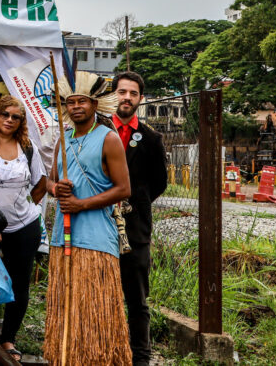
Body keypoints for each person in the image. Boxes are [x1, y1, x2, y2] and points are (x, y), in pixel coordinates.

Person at [43, 71, 133, 366]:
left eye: (82, 101)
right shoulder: (62, 140)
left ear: (95, 105)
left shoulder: (108, 139)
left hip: (96, 238)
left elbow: (123, 189)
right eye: (71, 102)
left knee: (94, 309)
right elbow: (50, 182)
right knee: (65, 307)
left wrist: (81, 204)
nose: (76, 106)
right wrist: (58, 188)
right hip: (63, 237)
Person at [0, 95, 47, 362]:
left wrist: (23, 203)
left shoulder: (27, 147)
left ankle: (8, 338)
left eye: (15, 117)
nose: (9, 120)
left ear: (21, 121)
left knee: (20, 283)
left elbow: (40, 184)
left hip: (23, 226)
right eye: (4, 114)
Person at [111, 71, 167, 366]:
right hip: (100, 223)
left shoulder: (151, 138)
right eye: (122, 92)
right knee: (104, 291)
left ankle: (140, 357)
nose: (127, 98)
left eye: (133, 93)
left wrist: (134, 204)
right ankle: (106, 349)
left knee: (137, 295)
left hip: (136, 228)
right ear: (113, 95)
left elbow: (160, 183)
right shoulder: (99, 130)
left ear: (140, 99)